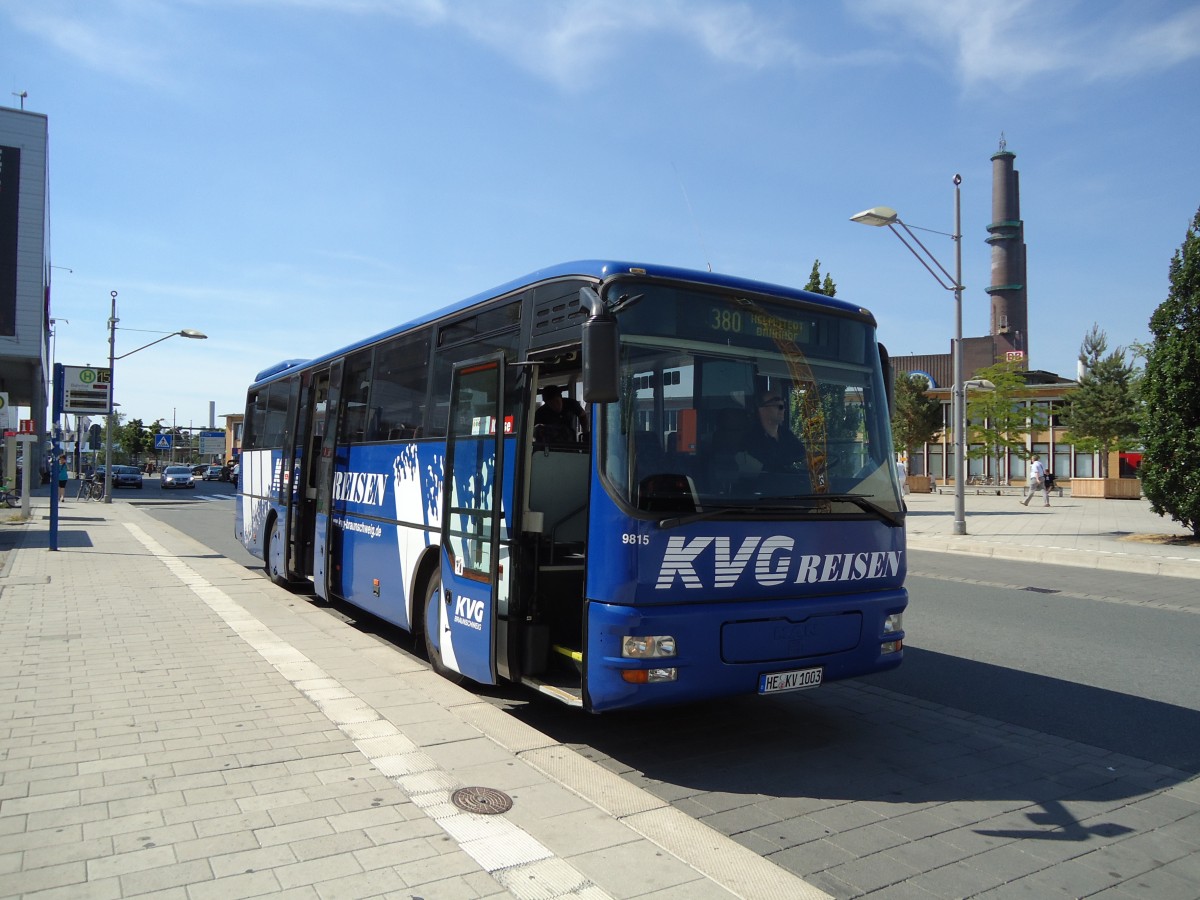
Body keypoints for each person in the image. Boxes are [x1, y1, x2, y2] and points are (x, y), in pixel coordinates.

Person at [743, 391, 805, 473]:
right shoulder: (751, 438)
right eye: (777, 406)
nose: (783, 409)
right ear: (761, 409)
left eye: (783, 405)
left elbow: (802, 455)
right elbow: (767, 467)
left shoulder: (786, 434)